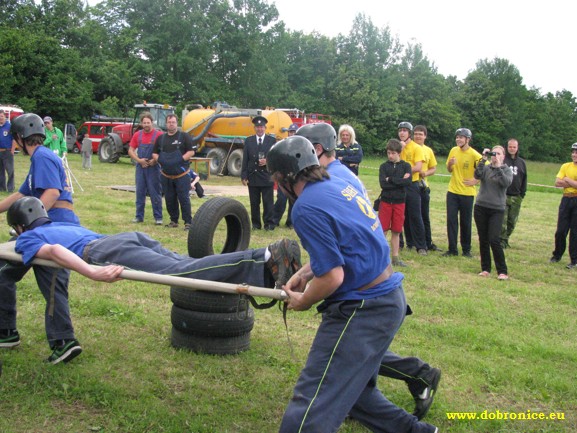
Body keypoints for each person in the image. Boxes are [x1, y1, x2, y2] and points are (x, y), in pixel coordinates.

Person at [267, 136, 438, 433]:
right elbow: (347, 244)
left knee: (312, 405)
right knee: (353, 393)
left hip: (363, 308)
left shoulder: (305, 207)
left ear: (282, 178)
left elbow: (333, 277)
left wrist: (302, 300)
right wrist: (307, 272)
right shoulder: (336, 183)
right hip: (388, 298)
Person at [7, 196, 302, 304]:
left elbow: (56, 252)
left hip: (104, 250)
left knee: (181, 272)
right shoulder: (62, 221)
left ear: (21, 227)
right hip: (126, 237)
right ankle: (264, 261)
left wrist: (91, 272)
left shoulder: (28, 237)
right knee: (186, 263)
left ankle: (263, 256)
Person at [0, 113, 81, 364]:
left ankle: (64, 341)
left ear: (19, 138)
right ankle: (6, 331)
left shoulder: (43, 156)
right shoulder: (39, 159)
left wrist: (34, 226)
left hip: (54, 229)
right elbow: (22, 194)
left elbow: (52, 192)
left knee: (52, 279)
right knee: (3, 272)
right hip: (42, 229)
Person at [474, 146, 513, 280]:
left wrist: (498, 167)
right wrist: (483, 159)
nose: (495, 156)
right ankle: (485, 268)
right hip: (481, 206)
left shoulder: (506, 170)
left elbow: (506, 183)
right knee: (483, 239)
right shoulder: (486, 168)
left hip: (497, 209)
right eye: (493, 154)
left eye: (498, 154)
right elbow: (477, 175)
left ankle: (502, 270)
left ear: (503, 156)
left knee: (494, 239)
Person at [442, 128, 481, 258]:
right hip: (453, 191)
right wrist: (450, 164)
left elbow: (485, 169)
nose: (458, 139)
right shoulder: (453, 150)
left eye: (461, 137)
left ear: (467, 139)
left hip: (467, 194)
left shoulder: (474, 155)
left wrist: (476, 180)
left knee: (466, 222)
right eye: (457, 137)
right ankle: (452, 249)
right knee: (451, 220)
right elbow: (449, 169)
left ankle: (466, 250)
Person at [152, 114, 195, 230]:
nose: (171, 124)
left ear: (177, 123)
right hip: (166, 175)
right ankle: (173, 220)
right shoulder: (161, 138)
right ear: (166, 124)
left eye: (173, 122)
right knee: (170, 199)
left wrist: (180, 159)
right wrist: (159, 160)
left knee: (184, 199)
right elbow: (154, 153)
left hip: (181, 175)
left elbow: (191, 152)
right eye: (169, 122)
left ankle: (188, 222)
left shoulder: (184, 136)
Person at [379, 139, 412, 267]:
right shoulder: (383, 166)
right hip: (386, 201)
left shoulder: (406, 166)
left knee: (397, 230)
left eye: (393, 153)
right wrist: (399, 181)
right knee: (383, 230)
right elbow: (383, 184)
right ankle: (381, 256)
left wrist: (391, 179)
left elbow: (407, 182)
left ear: (399, 153)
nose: (390, 156)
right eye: (388, 153)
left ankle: (395, 257)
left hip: (400, 202)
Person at [127, 112, 163, 226]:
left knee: (155, 192)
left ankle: (158, 217)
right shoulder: (137, 135)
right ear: (141, 123)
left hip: (154, 167)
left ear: (152, 123)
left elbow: (163, 151)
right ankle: (139, 217)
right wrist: (139, 160)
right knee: (140, 192)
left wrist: (155, 160)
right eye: (144, 123)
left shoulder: (159, 135)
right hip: (140, 167)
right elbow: (130, 150)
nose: (146, 125)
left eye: (148, 122)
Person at [241, 115, 276, 231]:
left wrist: (268, 161)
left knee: (268, 203)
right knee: (254, 203)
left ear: (265, 128)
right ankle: (256, 225)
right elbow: (245, 159)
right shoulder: (249, 141)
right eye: (257, 127)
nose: (259, 129)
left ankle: (269, 224)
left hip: (267, 176)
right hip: (253, 176)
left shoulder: (271, 141)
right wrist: (244, 175)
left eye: (261, 127)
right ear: (254, 128)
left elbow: (276, 157)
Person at [398, 122, 428, 255]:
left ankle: (421, 246)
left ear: (409, 133)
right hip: (399, 185)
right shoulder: (398, 146)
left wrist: (405, 171)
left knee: (415, 215)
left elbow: (418, 167)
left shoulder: (416, 148)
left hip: (412, 184)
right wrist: (400, 149)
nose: (402, 133)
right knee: (402, 215)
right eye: (400, 131)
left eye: (405, 131)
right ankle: (408, 243)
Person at [549, 142, 577, 269]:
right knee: (561, 230)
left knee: (575, 233)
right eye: (573, 152)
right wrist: (573, 183)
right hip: (566, 200)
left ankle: (574, 260)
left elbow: (564, 181)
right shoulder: (566, 166)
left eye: (576, 152)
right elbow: (557, 183)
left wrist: (567, 180)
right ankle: (557, 255)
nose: (574, 154)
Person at [414, 125, 441, 252]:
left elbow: (433, 168)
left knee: (424, 215)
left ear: (425, 136)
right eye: (416, 134)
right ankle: (413, 242)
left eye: (420, 134)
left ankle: (428, 242)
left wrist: (425, 173)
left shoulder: (428, 151)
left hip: (423, 186)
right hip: (411, 186)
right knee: (412, 216)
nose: (418, 136)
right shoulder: (409, 148)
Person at [500, 138, 527, 249]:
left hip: (516, 196)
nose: (512, 149)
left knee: (512, 222)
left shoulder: (522, 163)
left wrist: (522, 194)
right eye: (510, 147)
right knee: (503, 221)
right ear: (507, 147)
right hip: (503, 195)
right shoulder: (502, 160)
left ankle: (506, 239)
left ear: (517, 148)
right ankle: (502, 241)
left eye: (514, 147)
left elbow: (524, 179)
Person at [271, 123, 299, 228]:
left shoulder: (301, 147)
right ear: (288, 133)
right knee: (281, 200)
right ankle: (274, 220)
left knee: (293, 201)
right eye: (291, 132)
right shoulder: (282, 145)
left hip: (295, 177)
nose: (292, 134)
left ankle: (290, 222)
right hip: (283, 177)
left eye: (294, 132)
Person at [0, 110, 17, 192]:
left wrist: (12, 151)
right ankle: (2, 188)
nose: (0, 118)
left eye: (2, 116)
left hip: (7, 151)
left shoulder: (9, 126)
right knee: (0, 171)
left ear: (5, 117)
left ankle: (10, 188)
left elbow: (14, 139)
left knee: (10, 171)